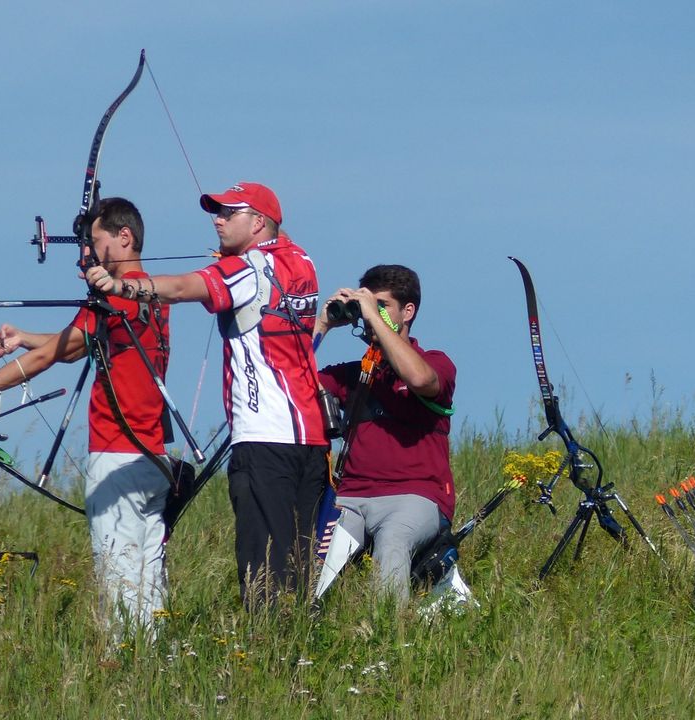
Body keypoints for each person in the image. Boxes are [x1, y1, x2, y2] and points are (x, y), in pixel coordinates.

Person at [85, 181, 328, 609]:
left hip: (263, 439)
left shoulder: (244, 271)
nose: (217, 220)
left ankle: (269, 658)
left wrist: (119, 286)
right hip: (310, 439)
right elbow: (273, 256)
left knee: (264, 574)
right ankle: (299, 650)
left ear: (257, 222)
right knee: (299, 566)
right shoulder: (302, 260)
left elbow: (180, 289)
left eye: (228, 213)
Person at [0, 197, 174, 631]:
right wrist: (25, 337)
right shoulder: (152, 294)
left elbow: (49, 357)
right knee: (148, 574)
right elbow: (74, 344)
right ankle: (152, 658)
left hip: (117, 455)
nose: (91, 256)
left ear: (124, 237)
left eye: (96, 243)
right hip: (151, 458)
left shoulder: (114, 300)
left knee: (119, 574)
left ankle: (123, 664)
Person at [314, 265, 456, 605]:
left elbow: (422, 380)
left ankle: (390, 640)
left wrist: (374, 319)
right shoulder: (351, 374)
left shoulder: (436, 361)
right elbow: (288, 383)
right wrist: (322, 325)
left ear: (408, 311)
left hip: (415, 495)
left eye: (383, 305)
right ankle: (305, 629)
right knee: (316, 562)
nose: (370, 314)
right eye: (368, 305)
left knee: (393, 541)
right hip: (352, 496)